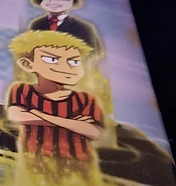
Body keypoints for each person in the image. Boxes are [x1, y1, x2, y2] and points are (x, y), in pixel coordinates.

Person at [7, 30, 105, 163]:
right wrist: (74, 124)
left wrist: (39, 115)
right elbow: (17, 116)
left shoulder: (86, 99)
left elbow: (95, 132)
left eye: (74, 62)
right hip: (33, 160)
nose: (66, 67)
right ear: (28, 64)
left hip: (80, 163)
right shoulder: (22, 89)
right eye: (52, 60)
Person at [27, 0, 100, 54]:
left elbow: (94, 53)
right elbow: (29, 49)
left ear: (75, 0)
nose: (52, 1)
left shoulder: (84, 27)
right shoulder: (36, 24)